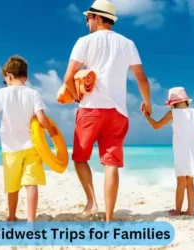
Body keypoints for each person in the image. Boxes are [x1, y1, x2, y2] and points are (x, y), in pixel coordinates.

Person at [63, 0, 152, 221]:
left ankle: (92, 202)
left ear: (98, 18)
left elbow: (67, 78)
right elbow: (141, 79)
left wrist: (76, 98)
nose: (87, 22)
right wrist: (147, 103)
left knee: (80, 158)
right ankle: (109, 218)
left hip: (90, 110)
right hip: (118, 112)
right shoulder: (127, 43)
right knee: (111, 164)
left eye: (88, 18)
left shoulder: (84, 42)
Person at [0, 55, 57, 222]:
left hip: (10, 148)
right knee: (31, 184)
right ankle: (31, 221)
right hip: (31, 145)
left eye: (5, 79)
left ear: (8, 75)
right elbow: (42, 120)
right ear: (25, 77)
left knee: (12, 186)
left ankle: (11, 216)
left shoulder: (2, 93)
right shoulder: (33, 94)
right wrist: (53, 133)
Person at [142, 87, 194, 216]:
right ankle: (190, 210)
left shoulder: (172, 113)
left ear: (172, 102)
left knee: (181, 181)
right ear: (186, 100)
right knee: (190, 181)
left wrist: (146, 116)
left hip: (181, 149)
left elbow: (156, 126)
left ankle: (178, 210)